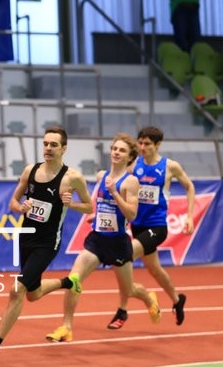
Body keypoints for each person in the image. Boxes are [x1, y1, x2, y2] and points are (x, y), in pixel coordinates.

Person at [0, 126, 93, 365]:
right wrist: (21, 207)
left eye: (54, 145)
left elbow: (89, 207)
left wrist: (71, 204)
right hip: (25, 237)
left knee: (17, 290)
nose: (48, 148)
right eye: (45, 143)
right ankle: (69, 282)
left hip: (47, 243)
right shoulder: (31, 171)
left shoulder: (72, 178)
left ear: (64, 149)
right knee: (33, 294)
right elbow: (13, 202)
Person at [45, 132, 162, 344]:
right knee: (73, 280)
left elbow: (131, 215)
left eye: (122, 150)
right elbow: (98, 205)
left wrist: (115, 193)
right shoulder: (101, 176)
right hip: (97, 240)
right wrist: (91, 213)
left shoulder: (131, 182)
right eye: (114, 149)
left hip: (118, 243)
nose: (116, 152)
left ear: (130, 157)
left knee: (129, 289)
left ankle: (148, 298)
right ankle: (66, 327)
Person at [106, 126, 194, 330]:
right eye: (140, 143)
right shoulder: (134, 164)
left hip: (157, 227)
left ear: (158, 145)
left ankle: (122, 310)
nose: (142, 147)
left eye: (147, 144)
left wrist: (189, 216)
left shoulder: (170, 166)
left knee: (122, 257)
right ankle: (177, 299)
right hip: (137, 226)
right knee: (155, 269)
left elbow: (189, 186)